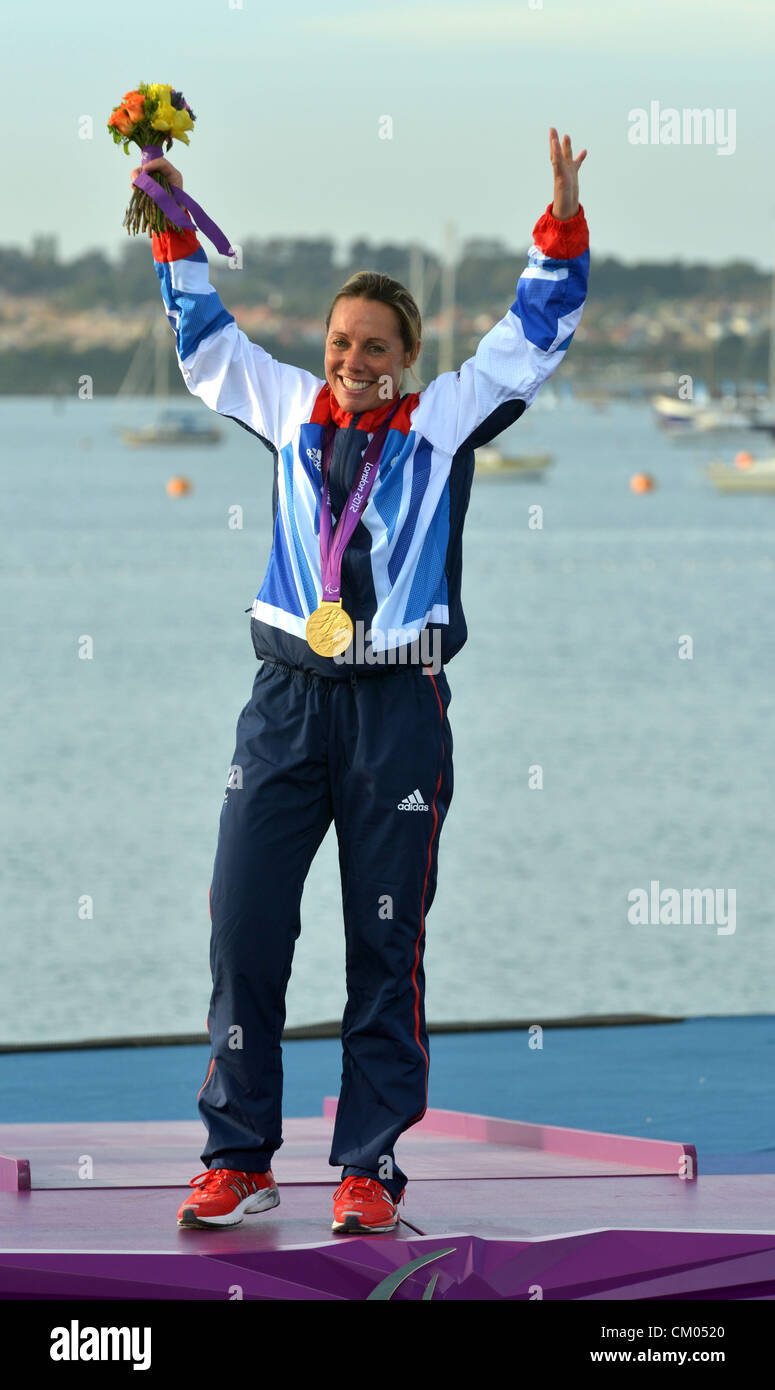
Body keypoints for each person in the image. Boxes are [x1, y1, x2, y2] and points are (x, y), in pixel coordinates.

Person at [131, 127, 588, 1235]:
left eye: (377, 344)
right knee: (243, 925)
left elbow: (534, 336)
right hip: (284, 703)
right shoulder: (288, 411)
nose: (354, 357)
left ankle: (367, 1165)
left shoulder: (441, 423)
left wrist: (561, 223)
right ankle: (238, 1154)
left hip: (395, 710)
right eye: (342, 339)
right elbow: (203, 342)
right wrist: (171, 221)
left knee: (384, 942)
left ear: (408, 354)